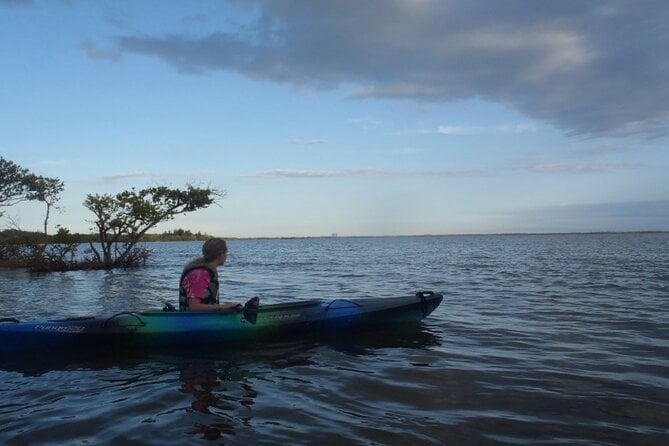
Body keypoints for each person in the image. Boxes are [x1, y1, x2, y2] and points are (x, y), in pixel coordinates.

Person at [178, 238, 241, 312]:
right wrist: (223, 306)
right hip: (193, 320)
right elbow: (194, 306)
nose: (226, 256)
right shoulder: (201, 274)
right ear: (221, 254)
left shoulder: (205, 270)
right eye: (226, 253)